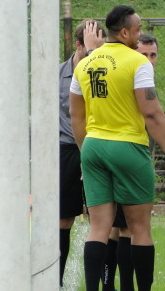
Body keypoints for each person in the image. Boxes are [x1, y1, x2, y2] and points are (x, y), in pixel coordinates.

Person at [70, 5, 165, 291]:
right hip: (127, 146)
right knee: (139, 228)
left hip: (93, 146)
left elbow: (77, 116)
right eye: (138, 29)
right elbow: (153, 114)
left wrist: (86, 152)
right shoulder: (136, 62)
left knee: (99, 228)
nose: (140, 33)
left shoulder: (84, 64)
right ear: (125, 32)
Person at [101, 33, 165, 291]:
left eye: (153, 54)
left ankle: (109, 286)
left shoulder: (142, 76)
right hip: (125, 157)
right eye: (143, 53)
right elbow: (150, 120)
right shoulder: (130, 76)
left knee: (118, 227)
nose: (148, 59)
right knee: (125, 229)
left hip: (119, 154)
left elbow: (155, 123)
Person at [59, 19, 106, 288]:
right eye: (90, 48)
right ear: (79, 45)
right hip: (67, 151)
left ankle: (102, 281)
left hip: (99, 147)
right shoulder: (56, 76)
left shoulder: (105, 73)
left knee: (103, 219)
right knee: (63, 219)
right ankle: (56, 280)